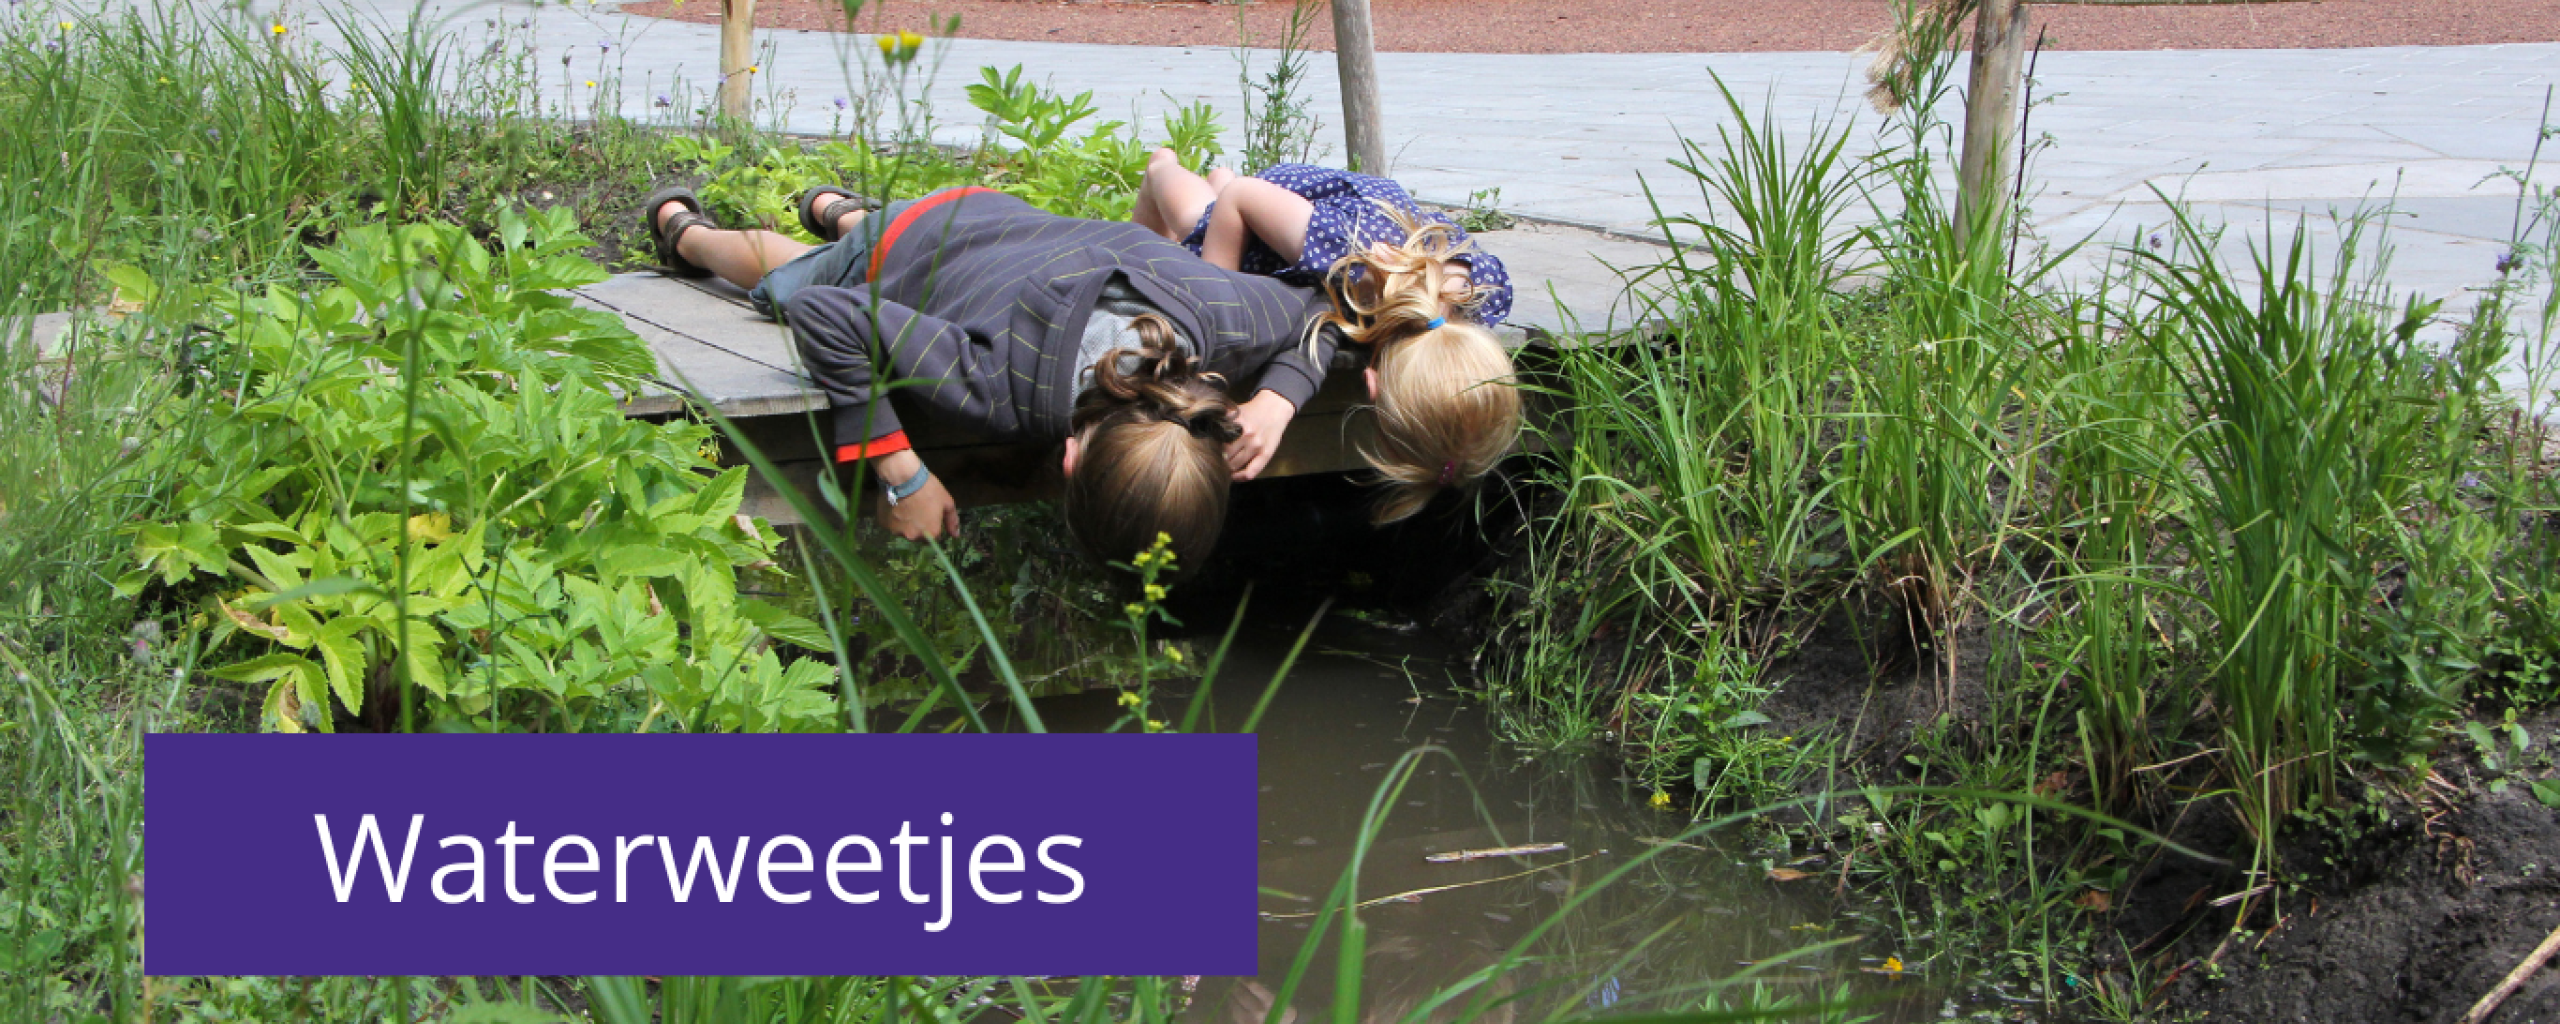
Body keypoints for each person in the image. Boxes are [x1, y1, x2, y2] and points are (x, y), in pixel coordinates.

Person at [640, 184, 1339, 572]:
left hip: (993, 222)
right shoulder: (1000, 383)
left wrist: (1278, 399)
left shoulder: (1223, 316)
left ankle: (835, 206)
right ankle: (685, 232)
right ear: (1065, 461)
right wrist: (900, 471)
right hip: (909, 246)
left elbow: (1317, 308)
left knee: (873, 231)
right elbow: (831, 317)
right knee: (787, 278)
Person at [1131, 154, 1522, 521]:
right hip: (1280, 206)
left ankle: (1217, 181)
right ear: (1371, 386)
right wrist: (1220, 305)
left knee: (1223, 207)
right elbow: (1242, 198)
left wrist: (1438, 280)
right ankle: (1162, 168)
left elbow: (1477, 270)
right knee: (1195, 219)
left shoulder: (1479, 297)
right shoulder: (1342, 254)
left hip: (1308, 227)